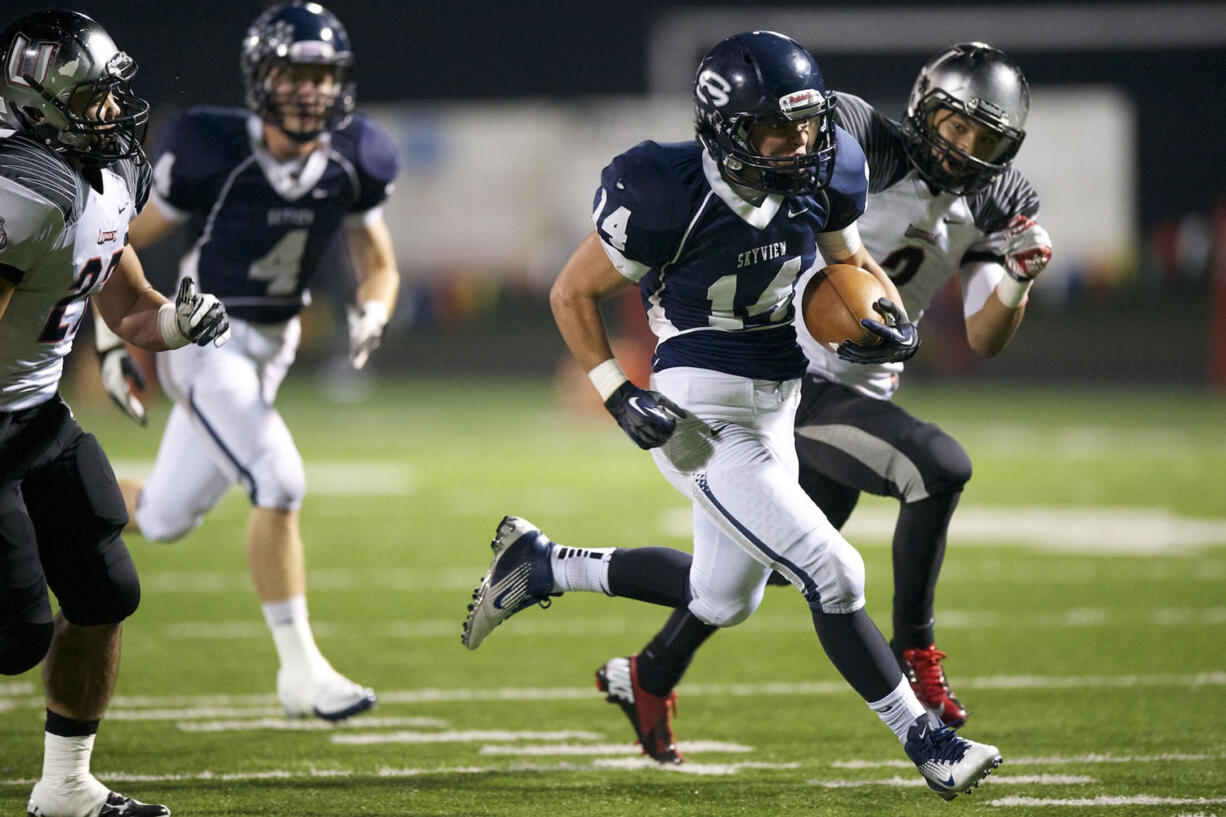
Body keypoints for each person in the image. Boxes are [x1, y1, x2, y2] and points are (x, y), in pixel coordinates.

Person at [462, 31, 1002, 801]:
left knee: (724, 596)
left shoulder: (830, 167)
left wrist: (888, 312)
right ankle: (928, 740)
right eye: (779, 129)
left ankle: (543, 563)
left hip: (780, 396)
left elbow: (848, 262)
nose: (801, 143)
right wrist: (619, 391)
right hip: (698, 404)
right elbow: (570, 292)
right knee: (834, 568)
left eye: (809, 124)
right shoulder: (664, 190)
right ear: (726, 127)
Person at [589, 42, 1052, 760]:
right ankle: (916, 654)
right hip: (796, 376)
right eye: (955, 126)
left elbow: (985, 335)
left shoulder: (1003, 201)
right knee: (934, 467)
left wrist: (1018, 280)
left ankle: (644, 666)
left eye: (985, 138)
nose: (964, 148)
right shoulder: (853, 136)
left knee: (752, 574)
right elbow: (774, 209)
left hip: (863, 388)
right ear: (923, 107)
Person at [93, 1, 400, 722]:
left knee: (165, 515)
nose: (308, 89)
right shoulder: (210, 146)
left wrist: (374, 311)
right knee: (278, 475)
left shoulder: (356, 157)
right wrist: (115, 333)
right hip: (205, 337)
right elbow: (115, 238)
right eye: (292, 73)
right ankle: (300, 672)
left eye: (320, 75)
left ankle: (50, 495)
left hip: (273, 346)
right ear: (261, 78)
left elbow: (378, 261)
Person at [0, 10, 231, 816]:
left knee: (103, 591)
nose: (114, 113)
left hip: (32, 412)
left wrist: (177, 322)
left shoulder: (99, 176)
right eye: (95, 99)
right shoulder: (20, 189)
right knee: (16, 633)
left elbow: (127, 303)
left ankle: (65, 787)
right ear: (42, 105)